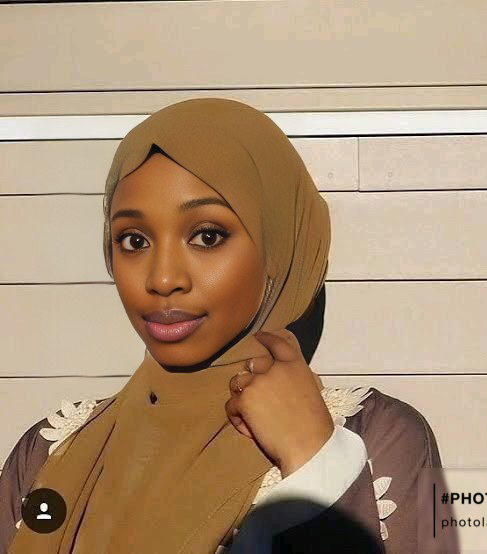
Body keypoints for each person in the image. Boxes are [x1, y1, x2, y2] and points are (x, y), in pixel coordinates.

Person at [0, 98, 459, 553]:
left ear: (278, 245)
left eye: (207, 236)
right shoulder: (47, 453)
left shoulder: (381, 436)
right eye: (134, 240)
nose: (162, 279)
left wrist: (314, 457)